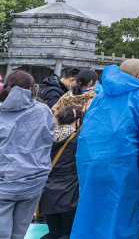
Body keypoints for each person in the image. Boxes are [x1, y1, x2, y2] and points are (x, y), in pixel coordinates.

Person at [72, 59, 139, 239]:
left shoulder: (99, 97)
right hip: (126, 171)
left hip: (92, 166)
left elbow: (85, 135)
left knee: (92, 217)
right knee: (123, 222)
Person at [0, 70, 55, 239]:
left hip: (4, 181)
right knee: (20, 232)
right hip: (34, 181)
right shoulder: (44, 111)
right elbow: (48, 141)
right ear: (32, 88)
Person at [40, 107, 83, 239]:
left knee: (53, 233)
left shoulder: (46, 136)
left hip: (47, 193)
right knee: (67, 233)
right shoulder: (79, 139)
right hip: (70, 193)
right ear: (78, 121)